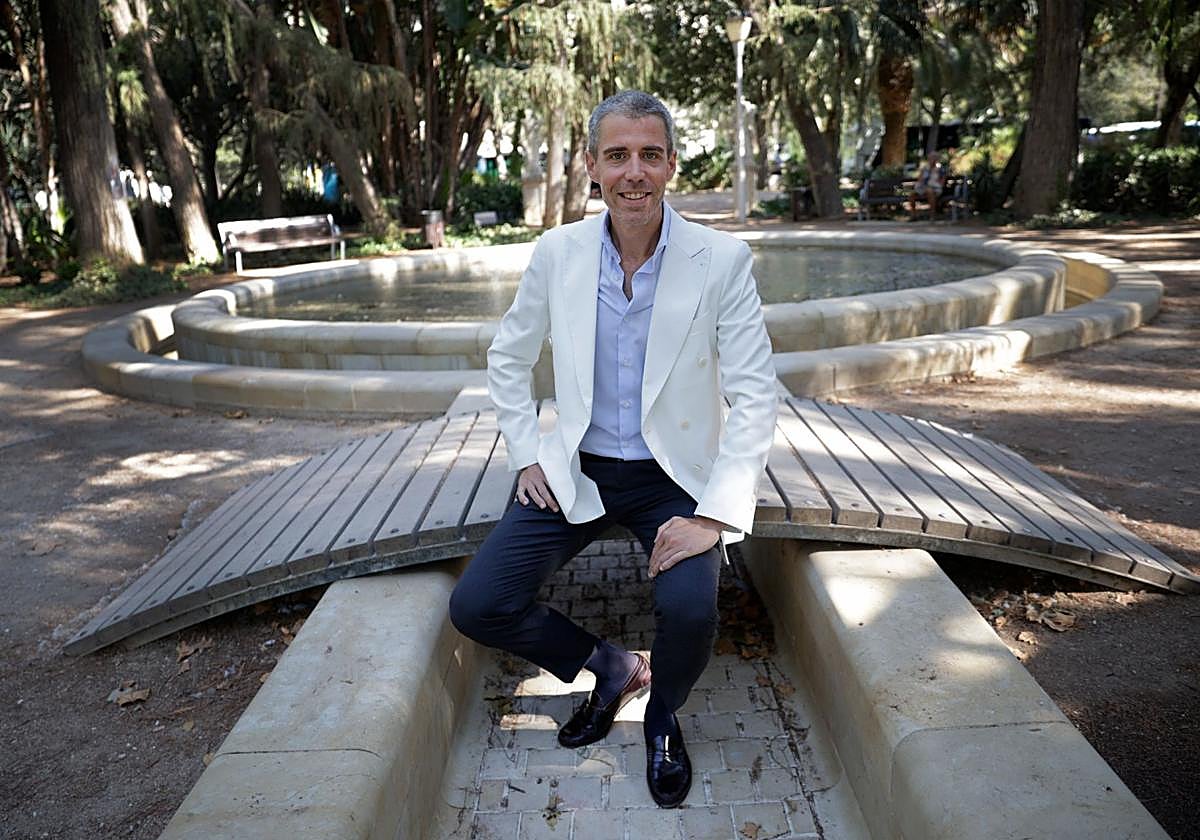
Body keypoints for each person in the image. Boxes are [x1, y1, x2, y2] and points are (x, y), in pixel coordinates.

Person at [448, 90, 778, 809]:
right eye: (618, 155)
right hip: (580, 468)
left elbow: (756, 396)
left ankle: (662, 720)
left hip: (674, 478)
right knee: (478, 604)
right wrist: (525, 455)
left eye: (650, 155)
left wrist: (714, 517)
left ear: (670, 166)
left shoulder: (721, 261)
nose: (635, 172)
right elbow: (508, 359)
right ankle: (611, 666)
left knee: (691, 612)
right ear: (593, 166)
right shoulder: (558, 253)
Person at [909, 150, 945, 216]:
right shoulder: (925, 168)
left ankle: (932, 214)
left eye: (933, 158)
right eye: (930, 158)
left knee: (929, 191)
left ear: (937, 159)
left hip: (935, 188)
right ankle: (913, 215)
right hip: (923, 187)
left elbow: (942, 181)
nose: (932, 159)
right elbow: (919, 179)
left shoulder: (940, 168)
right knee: (912, 194)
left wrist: (936, 185)